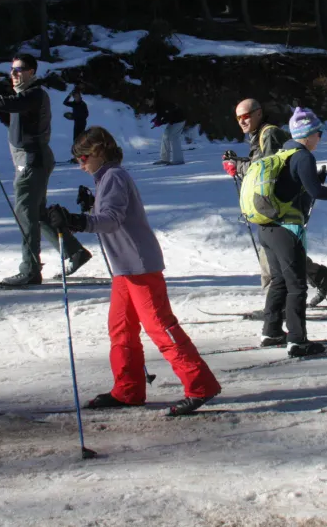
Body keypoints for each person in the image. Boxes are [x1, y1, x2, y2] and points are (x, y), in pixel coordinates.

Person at [46, 127, 221, 416]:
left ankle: (200, 383)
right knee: (121, 328)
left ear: (100, 152)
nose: (81, 164)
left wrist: (78, 220)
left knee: (159, 326)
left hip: (139, 266)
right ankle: (128, 389)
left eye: (84, 157)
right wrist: (89, 206)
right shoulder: (106, 178)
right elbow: (112, 213)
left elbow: (111, 220)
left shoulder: (114, 176)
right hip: (124, 268)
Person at [0, 54, 91, 288]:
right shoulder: (26, 97)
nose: (14, 74)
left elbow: (11, 104)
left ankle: (30, 270)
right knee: (36, 212)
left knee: (26, 214)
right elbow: (17, 118)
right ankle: (74, 252)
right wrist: (1, 113)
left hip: (31, 159)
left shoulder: (33, 94)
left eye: (20, 70)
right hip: (31, 158)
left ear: (32, 72)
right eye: (12, 70)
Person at [254, 107, 327, 358]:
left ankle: (271, 332)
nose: (320, 137)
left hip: (266, 228)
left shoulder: (284, 153)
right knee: (296, 286)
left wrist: (314, 180)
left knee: (279, 281)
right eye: (318, 132)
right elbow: (316, 193)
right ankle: (298, 342)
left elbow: (294, 187)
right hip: (286, 229)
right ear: (308, 134)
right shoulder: (303, 156)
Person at [223, 98, 327, 306]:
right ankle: (319, 277)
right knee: (283, 252)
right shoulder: (260, 135)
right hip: (276, 203)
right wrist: (239, 163)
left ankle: (274, 309)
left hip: (281, 204)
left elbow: (263, 170)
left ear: (259, 113)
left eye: (246, 116)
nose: (242, 121)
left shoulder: (269, 134)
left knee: (272, 257)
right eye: (238, 117)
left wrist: (237, 165)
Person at [152, 100, 185, 165]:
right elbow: (161, 115)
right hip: (173, 121)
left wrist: (160, 122)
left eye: (147, 101)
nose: (147, 103)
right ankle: (165, 159)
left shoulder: (161, 104)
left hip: (179, 120)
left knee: (174, 137)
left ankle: (178, 160)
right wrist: (157, 120)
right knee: (165, 136)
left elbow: (168, 116)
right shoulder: (158, 105)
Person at [63, 87, 89, 161]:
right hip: (77, 123)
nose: (76, 97)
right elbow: (65, 102)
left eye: (77, 96)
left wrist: (75, 116)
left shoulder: (83, 104)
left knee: (80, 141)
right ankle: (77, 157)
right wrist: (69, 95)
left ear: (80, 96)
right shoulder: (74, 104)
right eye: (74, 96)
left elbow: (86, 115)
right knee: (75, 140)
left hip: (82, 123)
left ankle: (82, 157)